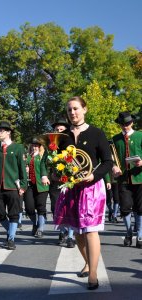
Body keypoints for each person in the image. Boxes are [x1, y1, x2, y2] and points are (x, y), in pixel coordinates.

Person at [53, 96, 112, 290]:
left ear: (85, 109)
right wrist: (57, 172)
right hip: (71, 188)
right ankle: (87, 261)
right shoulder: (63, 137)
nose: (73, 113)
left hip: (91, 187)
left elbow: (107, 162)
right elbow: (59, 161)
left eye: (76, 109)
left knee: (90, 229)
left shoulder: (96, 133)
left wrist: (93, 176)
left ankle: (93, 274)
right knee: (76, 231)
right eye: (69, 110)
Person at [0, 121, 27, 250]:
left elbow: (21, 168)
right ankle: (11, 231)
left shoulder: (18, 148)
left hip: (13, 186)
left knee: (14, 213)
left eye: (1, 130)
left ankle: (11, 239)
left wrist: (23, 186)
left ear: (8, 132)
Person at [112, 111, 142, 248]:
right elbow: (111, 158)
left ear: (132, 123)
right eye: (123, 124)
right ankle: (128, 233)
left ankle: (140, 236)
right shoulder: (115, 139)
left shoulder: (140, 136)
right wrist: (113, 167)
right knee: (125, 207)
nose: (125, 126)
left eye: (128, 124)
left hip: (139, 177)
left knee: (140, 208)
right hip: (123, 179)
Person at [47, 119, 75, 248]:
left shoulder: (73, 144)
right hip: (55, 181)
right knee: (55, 208)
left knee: (70, 208)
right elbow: (44, 162)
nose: (59, 132)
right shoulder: (51, 145)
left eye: (61, 130)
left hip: (70, 181)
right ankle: (62, 231)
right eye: (57, 130)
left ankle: (70, 236)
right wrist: (47, 175)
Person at [24, 138, 49, 238]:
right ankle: (35, 223)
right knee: (29, 208)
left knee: (41, 207)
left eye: (36, 145)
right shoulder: (28, 157)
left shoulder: (43, 156)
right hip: (30, 185)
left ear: (40, 147)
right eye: (33, 145)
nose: (34, 147)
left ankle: (40, 228)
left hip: (41, 185)